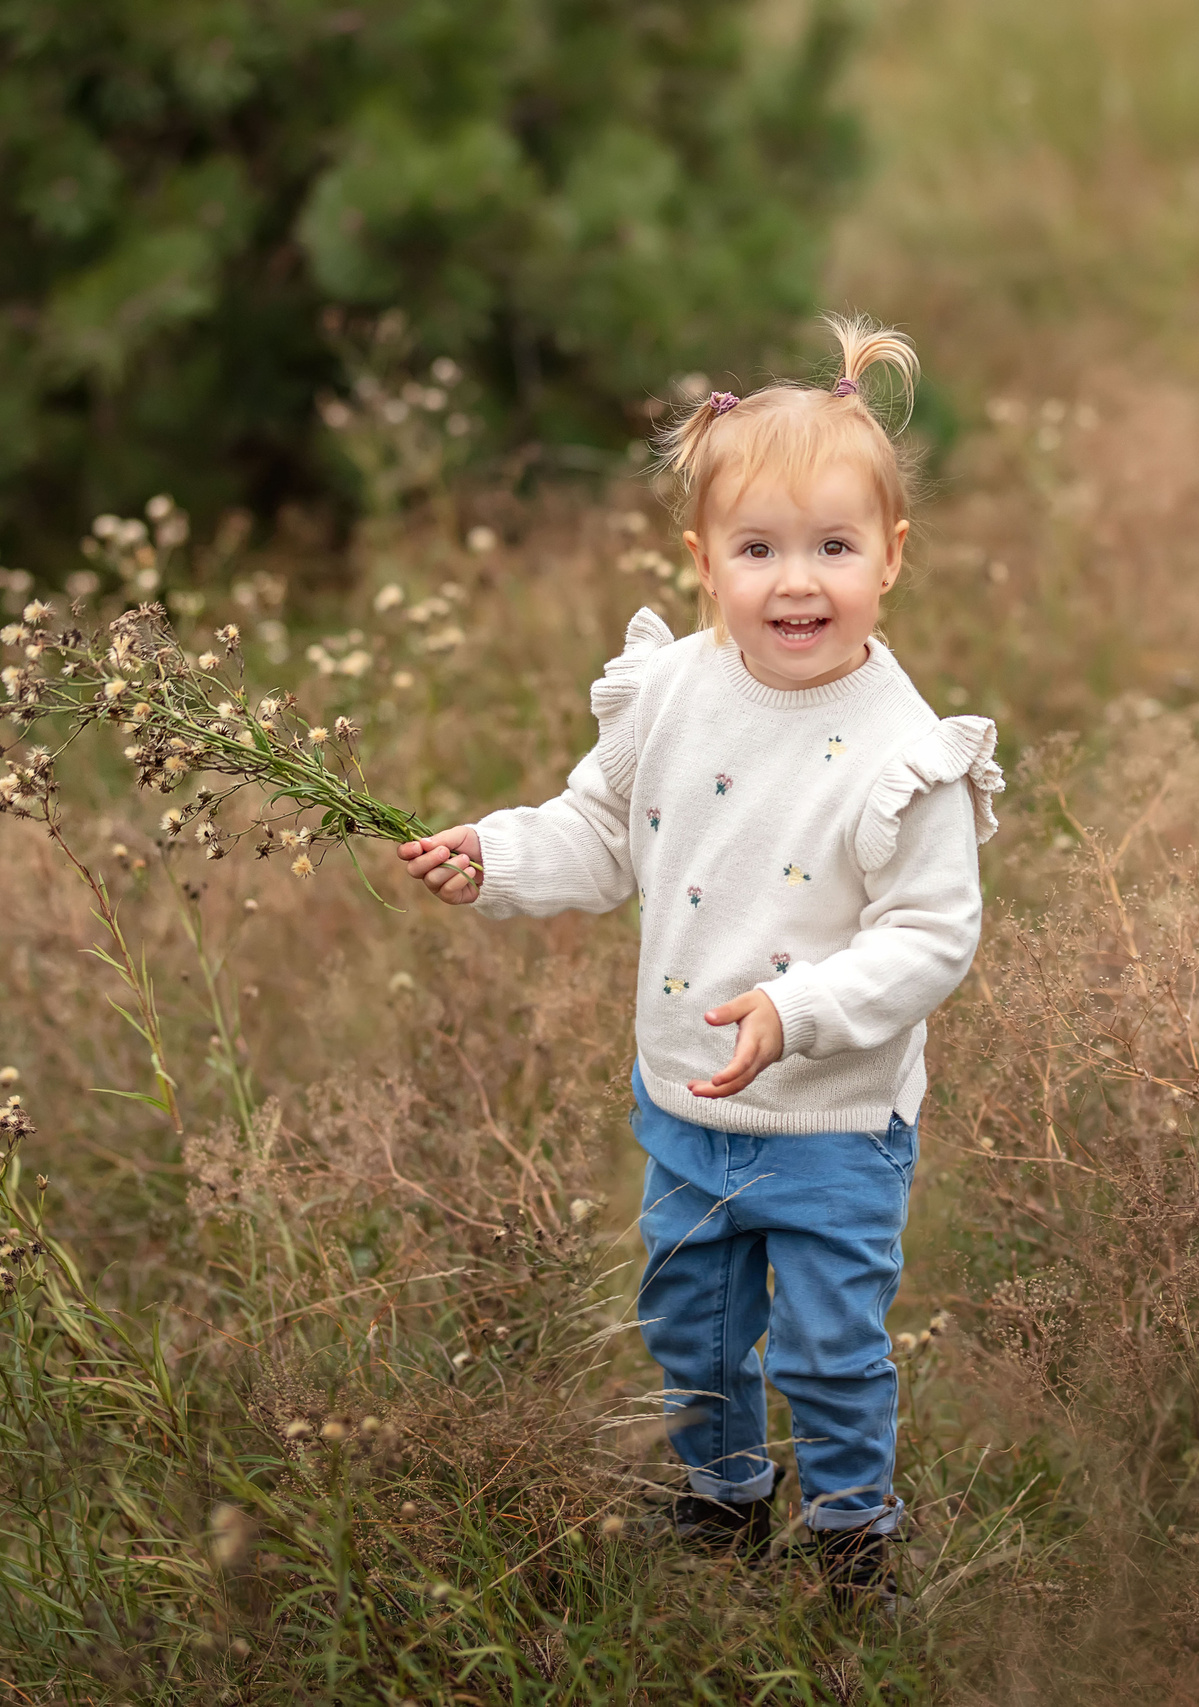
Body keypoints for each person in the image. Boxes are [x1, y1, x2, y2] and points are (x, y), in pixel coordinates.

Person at [395, 314, 1002, 1610]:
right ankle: (721, 1495)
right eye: (760, 550)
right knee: (695, 1323)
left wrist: (799, 1010)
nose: (797, 583)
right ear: (702, 561)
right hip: (687, 1101)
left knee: (832, 1344)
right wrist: (499, 859)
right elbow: (602, 832)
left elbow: (931, 937)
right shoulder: (670, 693)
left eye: (834, 548)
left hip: (833, 1116)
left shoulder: (905, 754)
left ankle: (852, 1532)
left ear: (891, 559)